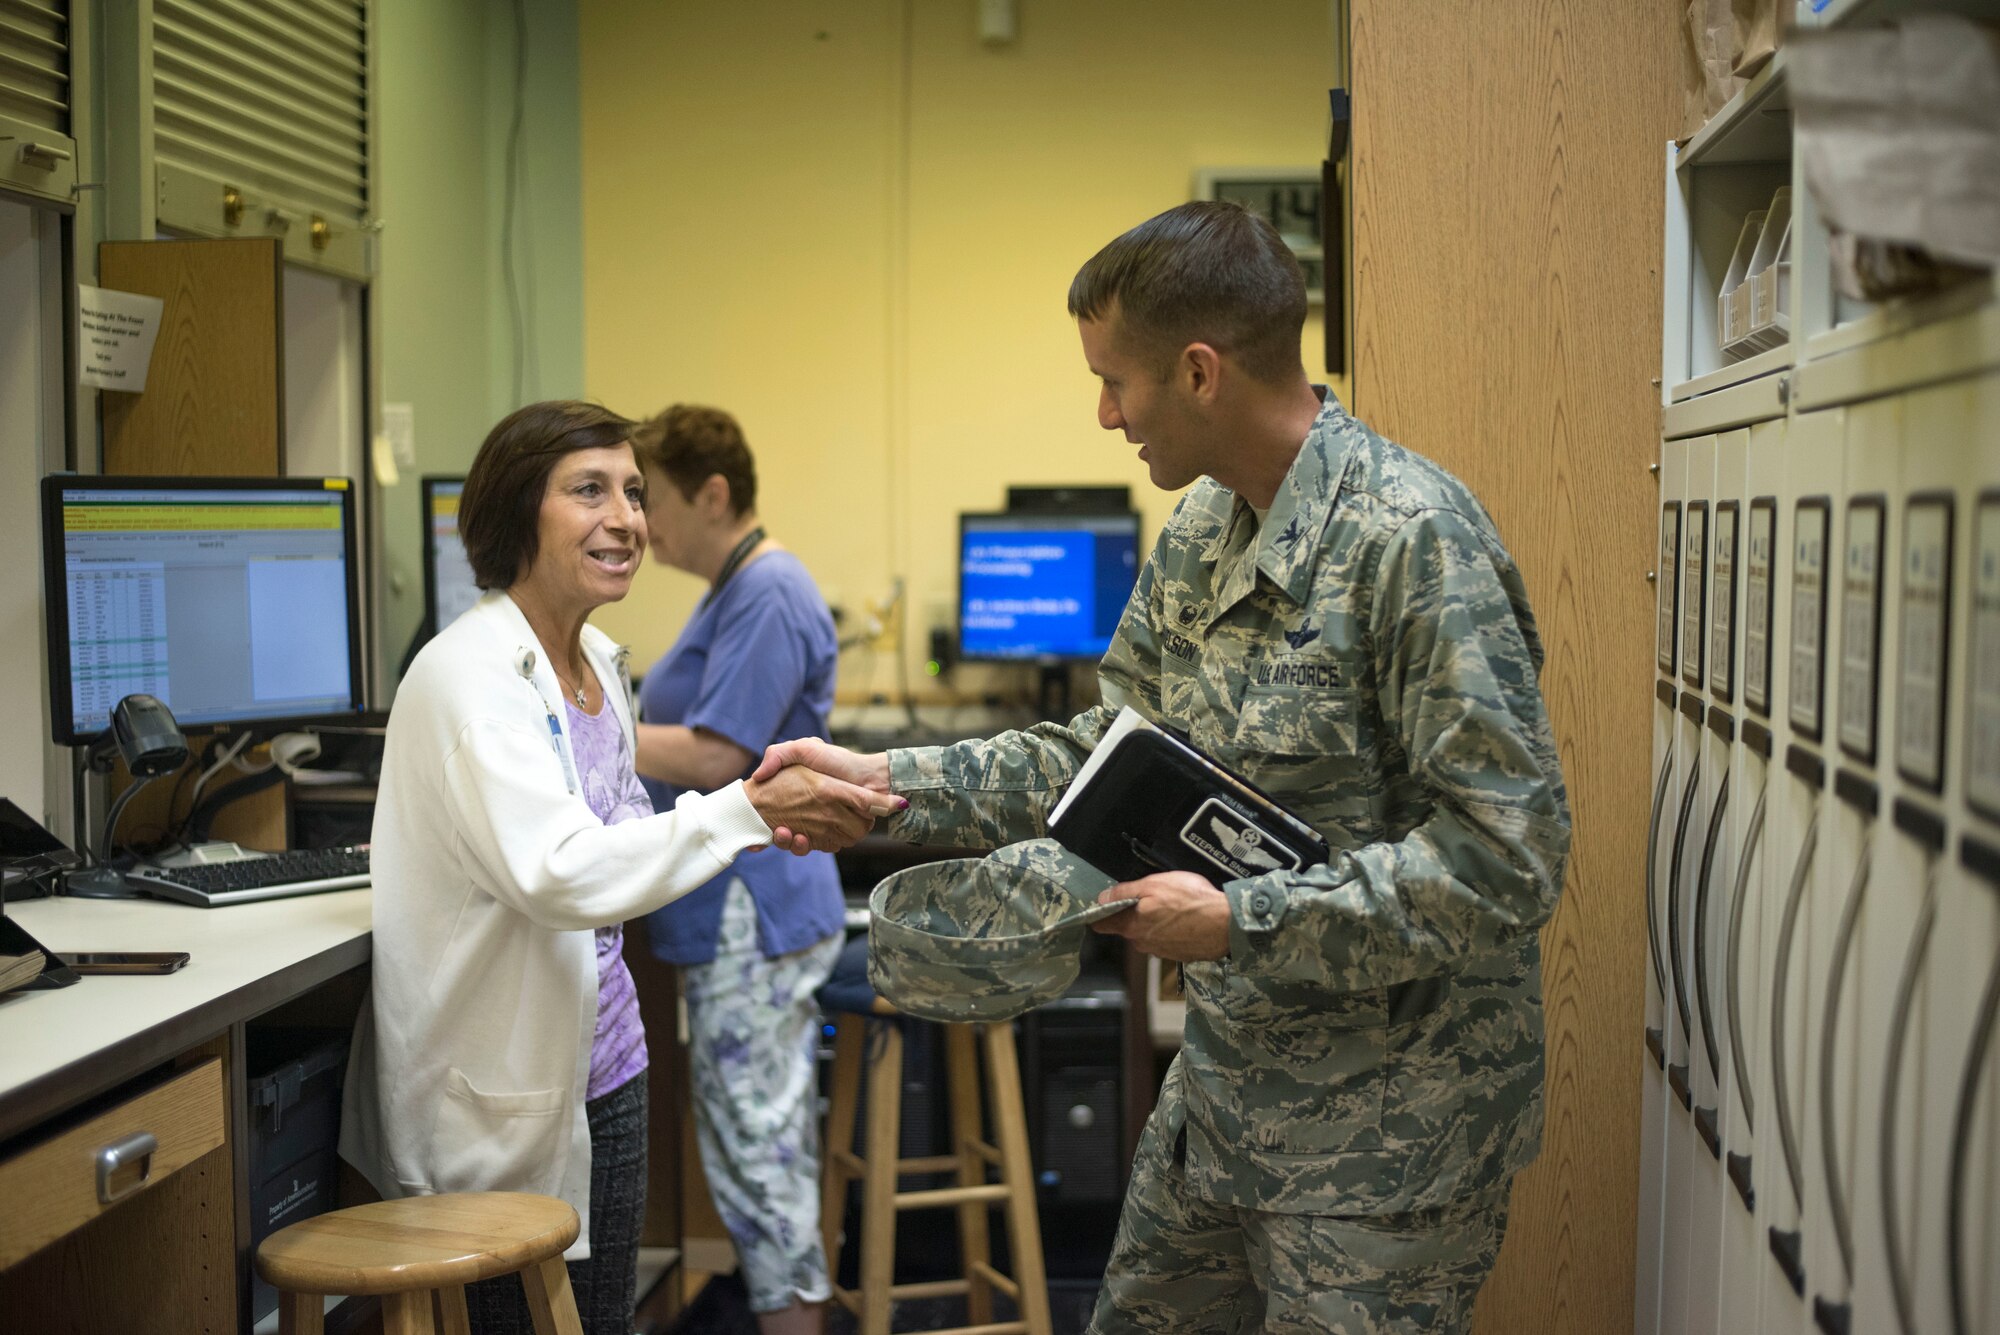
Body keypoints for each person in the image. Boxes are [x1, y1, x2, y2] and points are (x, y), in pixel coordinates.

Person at [756, 201, 1572, 1333]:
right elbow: (1107, 755)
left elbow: (1506, 859)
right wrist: (890, 779)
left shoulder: (1410, 541)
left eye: (1113, 382)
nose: (1103, 415)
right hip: (1229, 1106)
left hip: (1387, 1143)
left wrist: (1241, 920)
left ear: (1197, 372)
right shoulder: (1202, 532)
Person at [338, 400, 899, 1335]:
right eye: (589, 491)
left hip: (609, 1056)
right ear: (520, 513)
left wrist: (746, 817)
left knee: (599, 1317)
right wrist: (748, 810)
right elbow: (561, 871)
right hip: (502, 1083)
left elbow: (626, 825)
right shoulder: (469, 680)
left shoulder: (597, 659)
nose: (628, 518)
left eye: (634, 493)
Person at [627, 405, 845, 1335]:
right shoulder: (733, 585)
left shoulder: (767, 590)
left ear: (713, 495)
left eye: (652, 498)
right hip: (739, 907)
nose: (640, 521)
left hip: (755, 907)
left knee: (760, 1156)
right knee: (750, 1147)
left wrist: (591, 733)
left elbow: (721, 756)